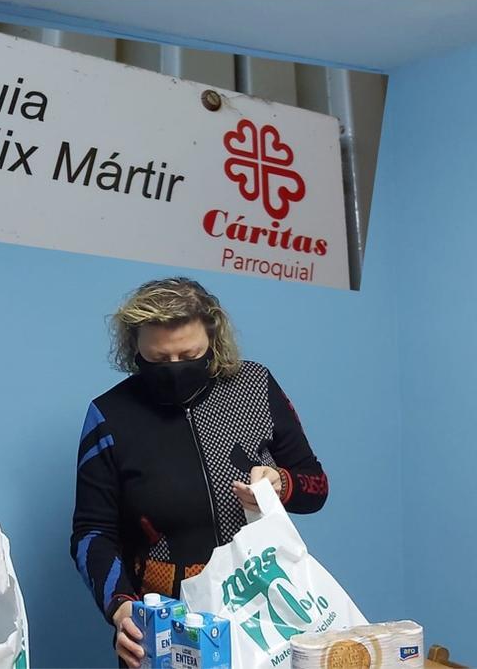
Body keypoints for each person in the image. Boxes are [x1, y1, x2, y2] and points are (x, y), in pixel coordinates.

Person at [70, 277, 329, 666]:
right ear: (134, 349)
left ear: (213, 341)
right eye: (158, 360)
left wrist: (283, 483)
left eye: (189, 355)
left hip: (266, 607)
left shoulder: (254, 385)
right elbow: (91, 532)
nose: (174, 369)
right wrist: (121, 608)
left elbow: (317, 487)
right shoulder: (109, 416)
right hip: (166, 625)